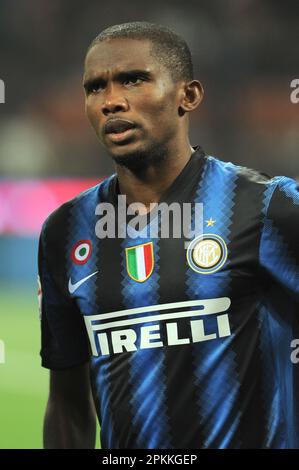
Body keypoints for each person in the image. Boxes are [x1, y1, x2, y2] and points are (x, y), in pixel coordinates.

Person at [38, 21, 299, 449]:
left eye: (133, 80)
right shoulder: (65, 231)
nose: (112, 101)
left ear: (188, 95)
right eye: (95, 88)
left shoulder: (269, 208)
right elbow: (67, 404)